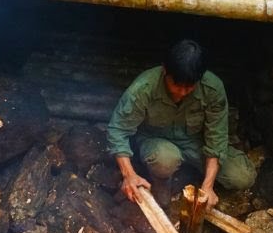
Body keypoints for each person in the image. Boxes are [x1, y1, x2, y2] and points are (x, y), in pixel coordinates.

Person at [107, 39, 257, 214]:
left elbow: (217, 139)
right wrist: (129, 175)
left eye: (189, 87)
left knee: (242, 177)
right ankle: (161, 181)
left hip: (194, 142)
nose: (182, 92)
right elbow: (118, 130)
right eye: (177, 85)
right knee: (165, 160)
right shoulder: (144, 88)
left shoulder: (213, 89)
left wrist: (207, 187)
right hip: (156, 140)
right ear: (165, 71)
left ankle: (193, 176)